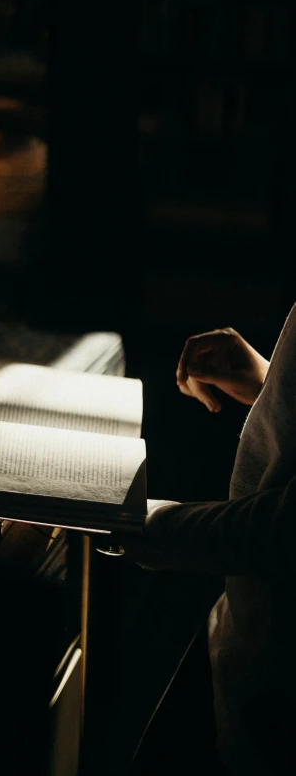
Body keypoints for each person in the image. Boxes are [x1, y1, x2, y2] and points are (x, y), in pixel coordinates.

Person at [121, 308, 296, 776]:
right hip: (242, 632)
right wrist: (272, 384)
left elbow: (285, 529)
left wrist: (155, 523)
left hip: (279, 692)